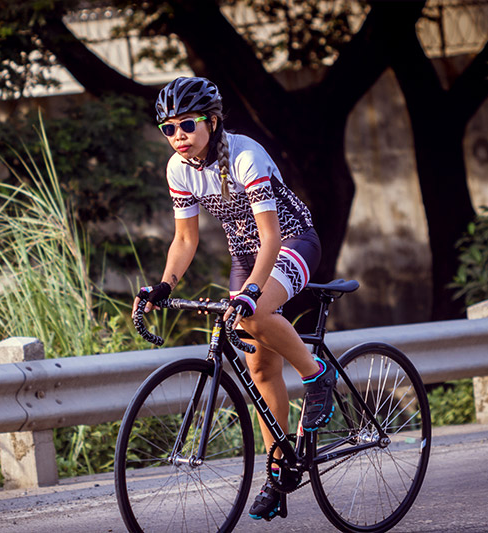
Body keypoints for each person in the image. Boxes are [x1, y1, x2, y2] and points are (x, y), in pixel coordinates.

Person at [133, 76, 337, 522]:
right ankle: (279, 471)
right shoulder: (178, 169)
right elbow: (185, 240)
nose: (178, 135)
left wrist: (251, 293)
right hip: (246, 256)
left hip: (292, 241)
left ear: (212, 121)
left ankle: (317, 375)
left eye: (187, 124)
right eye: (168, 128)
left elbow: (271, 236)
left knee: (253, 313)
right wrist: (164, 285)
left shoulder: (245, 155)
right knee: (260, 368)